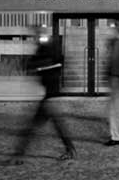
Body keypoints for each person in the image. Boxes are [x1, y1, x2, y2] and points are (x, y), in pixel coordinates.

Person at [10, 27, 76, 164]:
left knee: (33, 127)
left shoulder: (47, 49)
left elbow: (49, 63)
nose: (35, 38)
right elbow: (36, 64)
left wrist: (33, 66)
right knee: (53, 125)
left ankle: (19, 155)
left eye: (37, 34)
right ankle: (70, 149)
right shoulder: (43, 49)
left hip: (51, 94)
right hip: (49, 94)